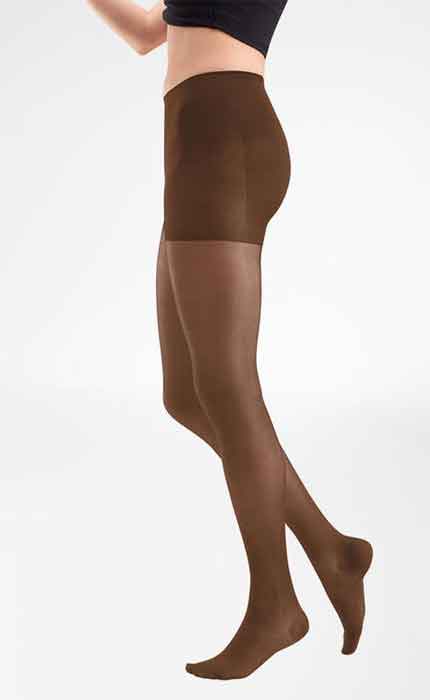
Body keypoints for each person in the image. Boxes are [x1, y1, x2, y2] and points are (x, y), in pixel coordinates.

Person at [86, 0, 373, 680]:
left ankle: (277, 606)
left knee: (227, 386)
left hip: (223, 133)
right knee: (186, 395)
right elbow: (149, 34)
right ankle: (332, 549)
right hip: (195, 137)